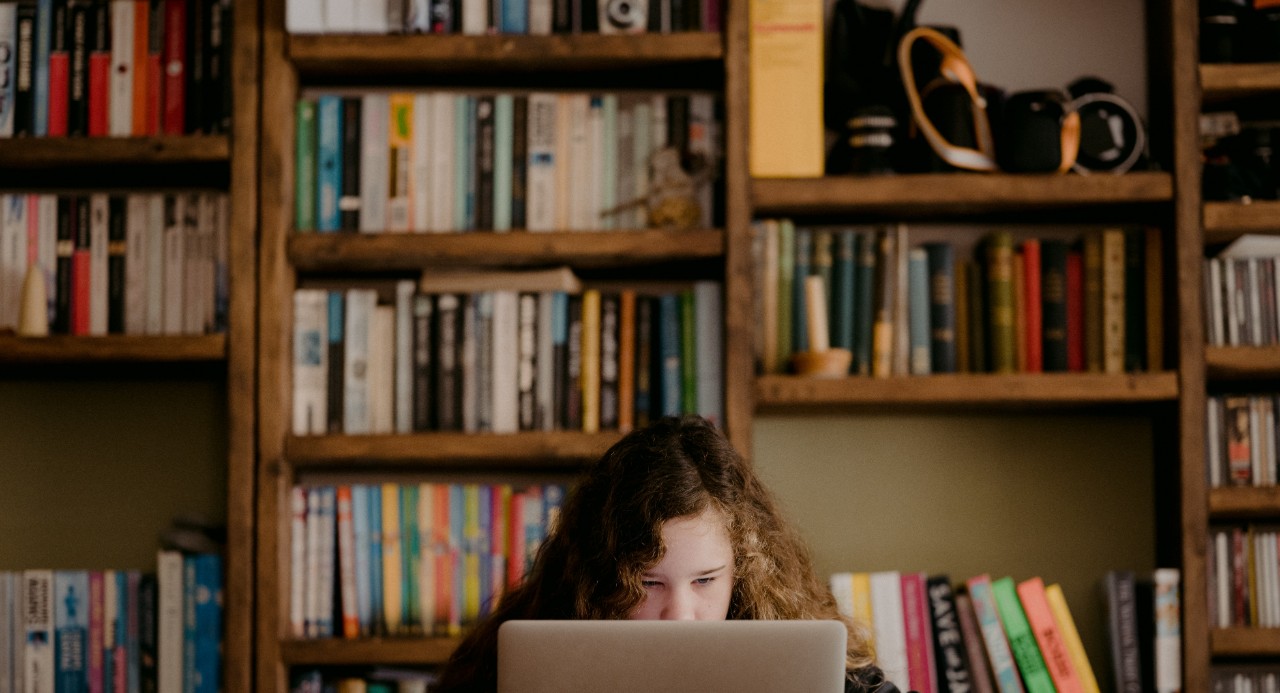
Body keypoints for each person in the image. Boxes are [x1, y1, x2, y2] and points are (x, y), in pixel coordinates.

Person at [433, 415, 902, 693]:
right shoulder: (524, 656)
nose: (680, 615)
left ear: (745, 569)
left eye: (705, 581)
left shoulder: (788, 644)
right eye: (648, 583)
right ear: (601, 574)